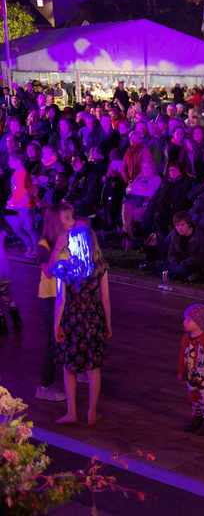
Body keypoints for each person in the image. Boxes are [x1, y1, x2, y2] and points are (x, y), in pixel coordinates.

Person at [51, 225, 112, 426]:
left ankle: (72, 412)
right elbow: (105, 299)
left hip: (72, 320)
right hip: (93, 319)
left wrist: (56, 325)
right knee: (93, 368)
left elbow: (60, 299)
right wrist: (108, 324)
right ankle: (92, 413)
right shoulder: (100, 267)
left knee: (70, 368)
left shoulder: (64, 267)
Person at [34, 204, 75, 402]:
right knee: (53, 341)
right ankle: (44, 386)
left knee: (69, 336)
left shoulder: (70, 240)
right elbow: (48, 271)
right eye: (67, 218)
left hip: (66, 296)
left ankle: (76, 371)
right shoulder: (44, 244)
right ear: (55, 222)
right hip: (50, 298)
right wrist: (58, 247)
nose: (72, 221)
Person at [178, 303, 204, 435]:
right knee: (194, 397)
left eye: (189, 320)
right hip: (191, 376)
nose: (185, 322)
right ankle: (197, 417)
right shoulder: (186, 339)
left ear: (199, 323)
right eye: (185, 319)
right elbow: (182, 356)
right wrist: (181, 371)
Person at [6, 152, 40, 258]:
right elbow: (16, 190)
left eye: (11, 160)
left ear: (18, 161)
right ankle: (29, 245)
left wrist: (14, 203)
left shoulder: (23, 173)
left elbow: (25, 191)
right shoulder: (16, 173)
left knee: (29, 228)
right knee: (17, 227)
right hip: (17, 204)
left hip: (25, 204)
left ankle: (36, 249)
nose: (8, 162)